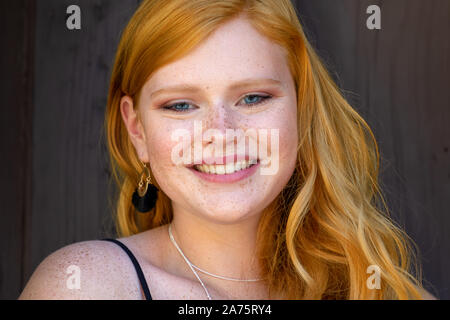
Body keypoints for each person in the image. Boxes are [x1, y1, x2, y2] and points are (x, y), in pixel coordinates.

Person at [19, 0, 435, 300]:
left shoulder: (376, 288)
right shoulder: (85, 287)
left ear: (300, 107)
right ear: (137, 130)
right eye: (181, 105)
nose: (221, 133)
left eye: (253, 98)